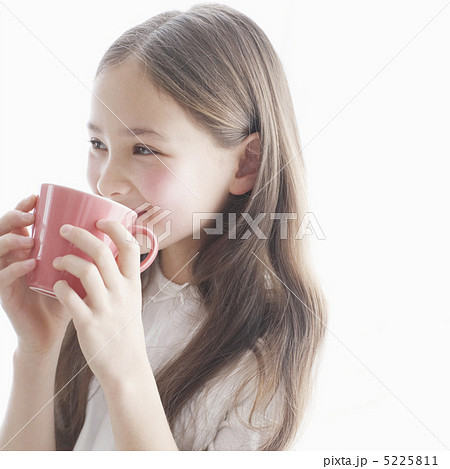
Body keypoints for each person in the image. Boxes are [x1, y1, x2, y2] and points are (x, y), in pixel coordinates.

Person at [0, 3, 328, 451]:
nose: (105, 182)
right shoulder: (108, 284)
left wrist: (124, 369)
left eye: (144, 149)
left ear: (247, 162)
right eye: (98, 143)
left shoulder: (270, 341)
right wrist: (37, 352)